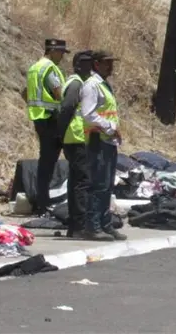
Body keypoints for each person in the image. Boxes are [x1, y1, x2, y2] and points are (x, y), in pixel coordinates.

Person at [79, 50, 126, 242]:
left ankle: (106, 225)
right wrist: (110, 127)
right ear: (96, 64)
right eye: (107, 63)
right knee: (98, 184)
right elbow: (87, 113)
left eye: (111, 62)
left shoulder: (104, 85)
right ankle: (93, 226)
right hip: (98, 139)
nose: (111, 66)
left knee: (107, 186)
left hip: (107, 140)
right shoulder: (92, 85)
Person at [24, 38, 68, 216]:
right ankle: (44, 204)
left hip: (39, 119)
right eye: (61, 53)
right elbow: (59, 94)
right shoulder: (49, 69)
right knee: (56, 162)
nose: (62, 57)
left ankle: (41, 202)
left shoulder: (34, 67)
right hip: (52, 120)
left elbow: (25, 92)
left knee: (45, 163)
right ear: (53, 51)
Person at [56, 50, 94, 239]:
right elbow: (67, 108)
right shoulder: (76, 84)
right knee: (81, 183)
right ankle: (78, 226)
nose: (90, 67)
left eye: (91, 63)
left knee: (78, 182)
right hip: (75, 138)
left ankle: (76, 226)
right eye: (86, 63)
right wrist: (61, 135)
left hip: (77, 138)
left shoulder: (81, 83)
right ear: (77, 65)